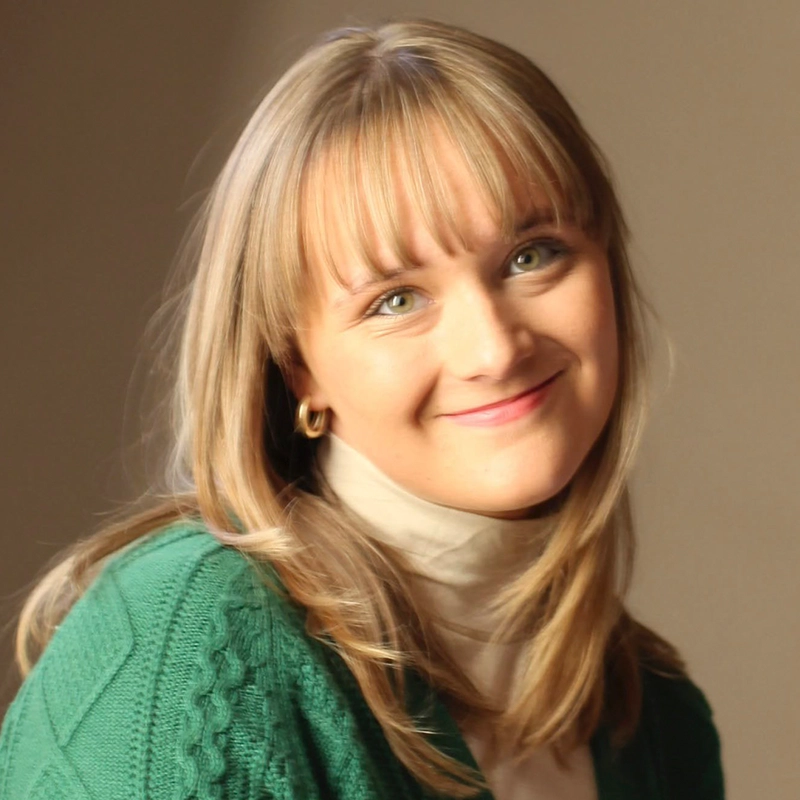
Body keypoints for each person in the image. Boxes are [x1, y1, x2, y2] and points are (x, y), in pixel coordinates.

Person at [0, 18, 724, 800]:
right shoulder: (191, 650)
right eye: (397, 300)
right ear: (298, 370)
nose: (495, 350)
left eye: (531, 256)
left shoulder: (655, 722)